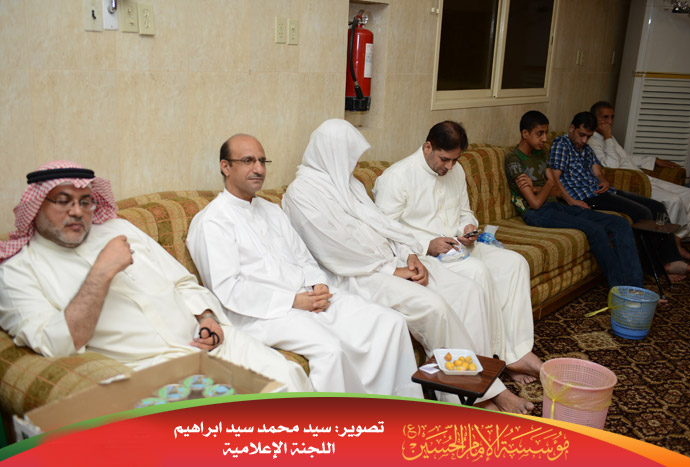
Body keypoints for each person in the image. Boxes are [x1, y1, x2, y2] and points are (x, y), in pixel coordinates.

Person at [282, 118, 534, 414]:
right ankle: (481, 394)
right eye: (350, 156)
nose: (355, 164)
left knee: (469, 291)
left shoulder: (349, 185)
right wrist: (393, 270)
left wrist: (410, 254)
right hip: (359, 275)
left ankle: (479, 384)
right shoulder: (301, 194)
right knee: (435, 308)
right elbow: (333, 251)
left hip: (394, 261)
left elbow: (386, 226)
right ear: (331, 153)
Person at [0, 161, 311, 393]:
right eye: (63, 201)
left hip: (214, 344)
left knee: (288, 379)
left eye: (85, 202)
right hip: (153, 367)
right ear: (36, 206)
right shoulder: (17, 271)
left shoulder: (118, 228)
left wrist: (207, 318)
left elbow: (182, 281)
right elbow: (54, 344)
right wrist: (101, 272)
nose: (78, 212)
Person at [186, 134, 421, 397]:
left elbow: (303, 258)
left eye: (262, 161)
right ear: (225, 167)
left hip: (308, 297)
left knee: (390, 323)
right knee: (331, 350)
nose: (259, 169)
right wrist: (293, 301)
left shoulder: (271, 210)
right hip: (263, 314)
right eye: (248, 161)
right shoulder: (212, 222)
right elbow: (228, 290)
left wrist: (318, 284)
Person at [372, 120, 542, 384]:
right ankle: (490, 362)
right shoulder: (397, 177)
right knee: (477, 271)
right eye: (445, 159)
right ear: (428, 147)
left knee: (515, 264)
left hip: (461, 246)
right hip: (426, 255)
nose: (450, 167)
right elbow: (385, 231)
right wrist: (427, 244)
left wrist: (468, 227)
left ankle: (517, 353)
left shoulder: (456, 170)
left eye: (455, 160)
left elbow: (465, 211)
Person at [505, 111, 644, 290]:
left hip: (555, 206)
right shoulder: (514, 159)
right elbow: (535, 203)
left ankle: (636, 288)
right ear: (525, 133)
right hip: (535, 214)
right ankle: (620, 289)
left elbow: (557, 191)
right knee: (595, 230)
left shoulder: (540, 153)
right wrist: (548, 183)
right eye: (540, 134)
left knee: (620, 223)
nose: (545, 139)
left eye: (546, 133)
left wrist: (538, 188)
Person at [549, 111, 690, 279]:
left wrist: (604, 180)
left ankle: (672, 260)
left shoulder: (586, 148)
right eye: (581, 135)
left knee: (658, 207)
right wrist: (571, 201)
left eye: (588, 136)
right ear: (572, 128)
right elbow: (555, 178)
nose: (584, 140)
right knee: (643, 213)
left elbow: (598, 172)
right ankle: (657, 268)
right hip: (587, 197)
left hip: (604, 191)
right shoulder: (562, 144)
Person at [589, 100, 690, 262]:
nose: (610, 122)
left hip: (643, 175)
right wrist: (608, 137)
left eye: (612, 117)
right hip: (634, 182)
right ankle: (670, 248)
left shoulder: (608, 137)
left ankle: (677, 239)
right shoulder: (592, 140)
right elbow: (610, 165)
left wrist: (653, 160)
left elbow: (625, 157)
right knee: (674, 200)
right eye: (605, 117)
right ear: (594, 118)